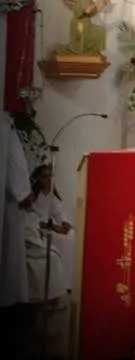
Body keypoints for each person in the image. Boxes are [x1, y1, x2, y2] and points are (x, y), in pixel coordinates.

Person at [25, 165, 72, 304]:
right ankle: (53, 290)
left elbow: (59, 213)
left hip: (50, 227)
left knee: (71, 237)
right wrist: (53, 227)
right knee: (57, 239)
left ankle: (67, 282)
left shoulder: (52, 196)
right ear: (38, 179)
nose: (49, 179)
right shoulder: (32, 196)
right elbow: (32, 217)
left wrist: (64, 223)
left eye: (50, 176)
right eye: (45, 176)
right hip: (39, 228)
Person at [0, 113, 32, 308]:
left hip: (9, 199)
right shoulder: (6, 127)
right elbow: (16, 167)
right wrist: (24, 195)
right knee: (9, 259)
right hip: (10, 205)